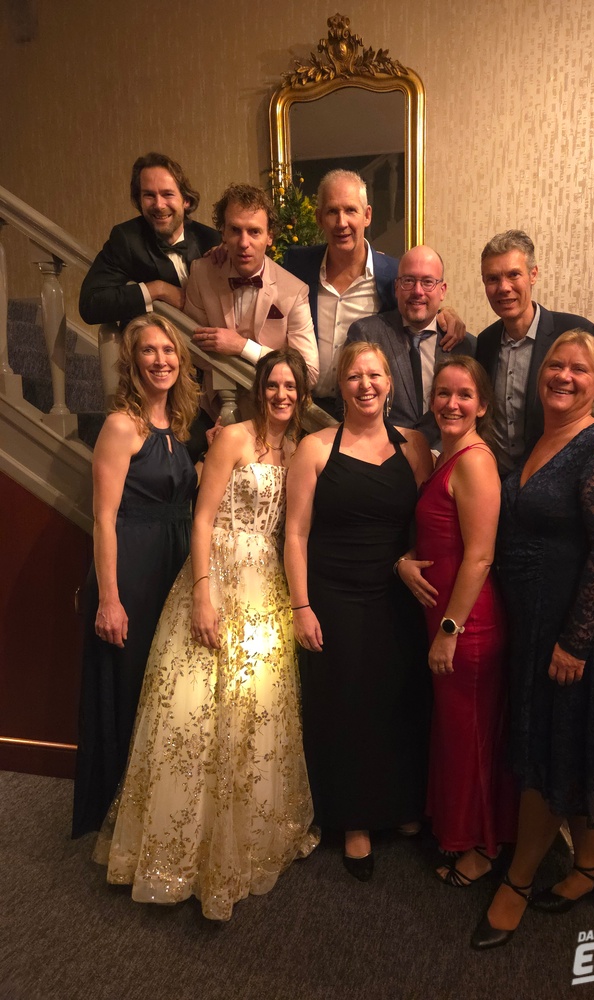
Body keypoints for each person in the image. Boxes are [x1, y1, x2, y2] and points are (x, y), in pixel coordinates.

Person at [95, 349, 319, 920]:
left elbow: (292, 533)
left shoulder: (298, 451)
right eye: (273, 384)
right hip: (216, 575)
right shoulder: (234, 439)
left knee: (253, 713)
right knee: (191, 712)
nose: (281, 395)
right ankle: (178, 854)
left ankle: (243, 842)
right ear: (259, 389)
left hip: (265, 588)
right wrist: (202, 591)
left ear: (301, 395)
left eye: (291, 387)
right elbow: (201, 518)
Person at [471, 331, 594, 951]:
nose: (564, 376)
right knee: (565, 740)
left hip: (573, 627)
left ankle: (516, 883)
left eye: (579, 370)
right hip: (536, 620)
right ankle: (590, 865)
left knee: (548, 746)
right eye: (556, 366)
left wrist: (576, 642)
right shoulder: (543, 438)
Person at [284, 341, 433, 880]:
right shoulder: (315, 448)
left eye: (375, 376)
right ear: (340, 386)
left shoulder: (414, 445)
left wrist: (412, 560)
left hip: (395, 591)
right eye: (354, 376)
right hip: (334, 593)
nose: (365, 385)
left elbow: (425, 520)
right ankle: (354, 820)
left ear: (389, 384)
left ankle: (399, 802)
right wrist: (301, 605)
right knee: (346, 702)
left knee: (396, 696)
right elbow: (295, 534)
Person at [72, 315, 199, 838]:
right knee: (128, 689)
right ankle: (117, 815)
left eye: (168, 350)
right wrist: (109, 598)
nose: (161, 360)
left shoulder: (178, 425)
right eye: (149, 351)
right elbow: (103, 518)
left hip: (172, 565)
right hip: (133, 570)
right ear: (132, 362)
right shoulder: (121, 425)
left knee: (160, 689)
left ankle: (151, 809)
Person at [396, 357, 517, 886]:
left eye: (464, 395)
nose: (451, 403)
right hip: (445, 618)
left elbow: (481, 556)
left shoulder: (475, 461)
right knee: (456, 733)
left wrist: (450, 631)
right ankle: (463, 829)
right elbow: (438, 535)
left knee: (471, 740)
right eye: (443, 393)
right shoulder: (445, 454)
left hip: (467, 627)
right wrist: (405, 561)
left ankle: (483, 848)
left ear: (482, 405)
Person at [282, 169, 465, 414]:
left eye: (351, 210)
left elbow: (415, 306)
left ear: (367, 215)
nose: (341, 223)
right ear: (318, 218)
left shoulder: (391, 274)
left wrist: (445, 312)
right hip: (303, 406)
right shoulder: (297, 265)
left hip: (362, 408)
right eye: (332, 211)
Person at [475, 230, 594, 475]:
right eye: (492, 279)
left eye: (513, 274)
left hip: (558, 483)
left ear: (533, 274)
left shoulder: (576, 333)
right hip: (499, 483)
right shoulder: (484, 342)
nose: (503, 287)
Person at [184, 184, 320, 390]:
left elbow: (308, 373)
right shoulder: (201, 273)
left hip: (274, 404)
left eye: (254, 232)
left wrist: (243, 347)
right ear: (223, 232)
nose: (243, 243)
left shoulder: (294, 290)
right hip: (215, 402)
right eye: (235, 230)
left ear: (269, 237)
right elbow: (189, 347)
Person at [346, 246, 476, 449]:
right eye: (408, 281)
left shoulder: (465, 345)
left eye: (428, 282)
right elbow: (346, 406)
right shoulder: (366, 333)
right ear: (396, 287)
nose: (418, 291)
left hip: (446, 457)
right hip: (380, 456)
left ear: (442, 290)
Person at [79, 152, 220, 328]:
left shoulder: (211, 238)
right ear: (139, 200)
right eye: (149, 195)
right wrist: (157, 289)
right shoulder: (126, 239)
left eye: (167, 194)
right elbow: (91, 304)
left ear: (186, 200)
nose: (159, 205)